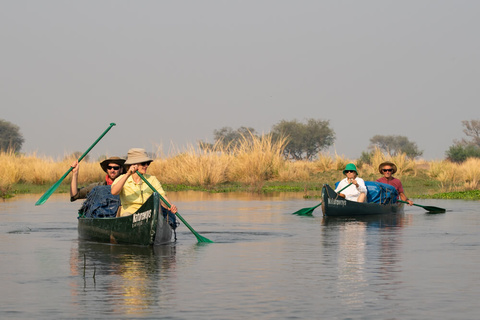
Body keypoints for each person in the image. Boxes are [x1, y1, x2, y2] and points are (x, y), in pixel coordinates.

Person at [111, 148, 177, 217]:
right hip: (129, 215)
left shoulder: (152, 179)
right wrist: (128, 174)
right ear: (133, 164)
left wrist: (170, 205)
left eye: (147, 163)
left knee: (154, 201)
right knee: (126, 215)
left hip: (148, 214)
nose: (146, 166)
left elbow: (162, 197)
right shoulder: (122, 178)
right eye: (143, 164)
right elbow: (114, 192)